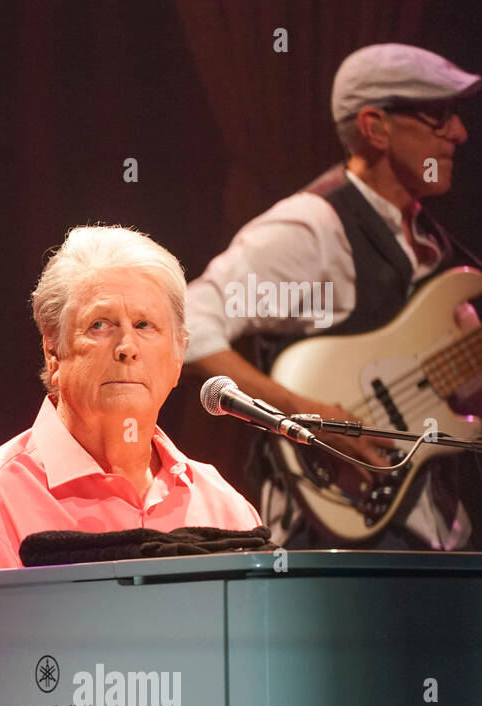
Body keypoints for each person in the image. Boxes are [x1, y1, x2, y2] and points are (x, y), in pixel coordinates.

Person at [0, 224, 474, 706]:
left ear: (178, 356)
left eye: (146, 327)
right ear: (53, 348)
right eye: (100, 326)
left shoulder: (224, 507)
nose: (126, 347)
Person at [184, 43, 482, 552]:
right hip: (333, 532)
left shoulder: (434, 241)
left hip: (434, 526)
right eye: (438, 115)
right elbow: (188, 323)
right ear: (375, 126)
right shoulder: (313, 226)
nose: (459, 133)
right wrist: (309, 419)